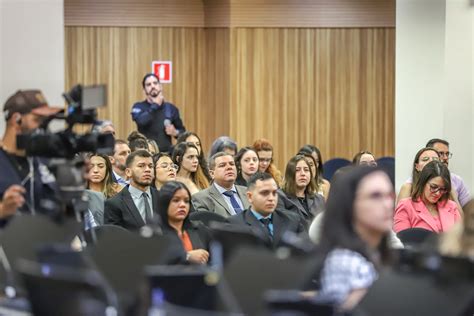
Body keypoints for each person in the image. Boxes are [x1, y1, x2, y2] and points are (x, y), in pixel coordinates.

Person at [315, 166, 394, 310]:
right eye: (375, 196)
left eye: (390, 195)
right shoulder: (345, 262)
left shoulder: (374, 253)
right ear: (349, 204)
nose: (388, 204)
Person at [0, 90, 62, 220]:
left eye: (45, 121)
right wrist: (2, 210)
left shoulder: (44, 160)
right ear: (16, 120)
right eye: (37, 120)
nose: (42, 127)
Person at [228, 172, 306, 248]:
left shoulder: (292, 220)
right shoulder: (234, 224)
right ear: (250, 197)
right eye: (264, 193)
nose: (271, 198)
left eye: (274, 193)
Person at [394, 160, 461, 234]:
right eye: (433, 187)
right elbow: (402, 240)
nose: (438, 193)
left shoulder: (451, 206)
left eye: (442, 189)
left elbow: (461, 238)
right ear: (423, 182)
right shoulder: (406, 206)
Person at [157, 181, 211, 265]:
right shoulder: (155, 231)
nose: (182, 205)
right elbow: (155, 261)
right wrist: (187, 256)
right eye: (176, 200)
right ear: (164, 203)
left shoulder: (199, 228)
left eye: (186, 201)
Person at [104, 150, 159, 230]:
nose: (147, 170)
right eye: (141, 166)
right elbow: (114, 238)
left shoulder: (163, 198)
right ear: (128, 172)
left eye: (150, 166)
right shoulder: (114, 204)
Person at [131, 73, 185, 153]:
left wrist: (175, 132)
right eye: (148, 84)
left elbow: (183, 133)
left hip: (166, 154)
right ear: (144, 90)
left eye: (155, 83)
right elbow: (141, 121)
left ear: (160, 86)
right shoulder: (138, 107)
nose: (152, 86)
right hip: (146, 153)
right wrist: (155, 105)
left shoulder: (170, 108)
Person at [192, 152, 250, 218]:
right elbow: (207, 226)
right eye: (222, 165)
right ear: (212, 174)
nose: (229, 167)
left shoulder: (248, 192)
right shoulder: (201, 198)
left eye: (232, 164)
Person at [277, 155, 325, 226]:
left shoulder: (319, 199)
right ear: (290, 174)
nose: (303, 174)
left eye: (306, 170)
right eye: (297, 170)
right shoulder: (280, 197)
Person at [426, 138, 471, 207]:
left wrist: (453, 196)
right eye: (441, 153)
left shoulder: (457, 181)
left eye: (447, 154)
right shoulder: (414, 182)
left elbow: (468, 210)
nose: (445, 158)